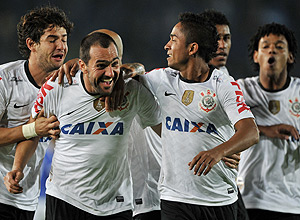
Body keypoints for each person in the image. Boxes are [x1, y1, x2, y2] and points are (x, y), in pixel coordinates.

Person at [5, 31, 161, 220]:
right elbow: (34, 130)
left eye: (115, 64)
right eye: (101, 66)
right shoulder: (57, 87)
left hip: (115, 204)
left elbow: (163, 128)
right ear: (82, 66)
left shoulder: (132, 91)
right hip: (65, 199)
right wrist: (18, 167)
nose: (110, 73)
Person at [137, 12, 259, 220]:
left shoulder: (223, 84)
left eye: (173, 40)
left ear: (192, 48)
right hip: (175, 198)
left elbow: (250, 132)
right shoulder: (162, 79)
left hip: (218, 199)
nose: (167, 46)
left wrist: (219, 151)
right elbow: (126, 76)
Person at [0, 5, 73, 220]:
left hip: (28, 196)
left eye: (64, 39)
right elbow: (33, 131)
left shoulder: (67, 84)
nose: (61, 46)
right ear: (32, 44)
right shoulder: (5, 79)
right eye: (52, 39)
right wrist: (32, 129)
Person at [237, 22, 300, 220]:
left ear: (290, 56)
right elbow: (219, 127)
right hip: (249, 199)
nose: (272, 49)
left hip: (291, 202)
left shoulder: (299, 92)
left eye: (279, 46)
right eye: (265, 46)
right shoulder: (240, 90)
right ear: (256, 56)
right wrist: (264, 129)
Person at [201, 9, 250, 220]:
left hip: (227, 183)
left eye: (226, 38)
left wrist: (230, 147)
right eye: (216, 39)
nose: (222, 45)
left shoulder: (227, 79)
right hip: (200, 188)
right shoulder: (187, 80)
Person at [201, 9, 232, 76]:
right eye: (216, 39)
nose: (223, 46)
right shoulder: (178, 78)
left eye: (226, 38)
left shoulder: (225, 77)